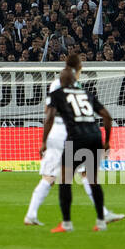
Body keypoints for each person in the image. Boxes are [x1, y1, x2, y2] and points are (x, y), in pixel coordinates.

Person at [25, 52, 124, 225]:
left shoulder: (67, 83)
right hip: (63, 132)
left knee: (76, 175)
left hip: (69, 132)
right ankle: (36, 215)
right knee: (57, 177)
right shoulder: (62, 83)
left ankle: (102, 213)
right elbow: (49, 111)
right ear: (78, 68)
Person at [44, 66, 112, 233]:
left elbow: (50, 116)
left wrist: (44, 141)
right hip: (95, 136)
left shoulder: (58, 95)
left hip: (77, 138)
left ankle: (66, 223)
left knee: (65, 180)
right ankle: (101, 221)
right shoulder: (86, 94)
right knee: (93, 180)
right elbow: (107, 116)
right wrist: (107, 141)